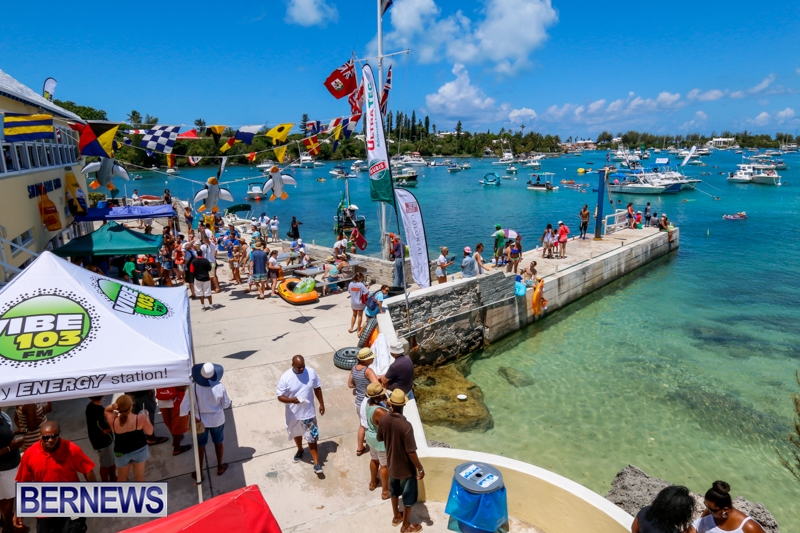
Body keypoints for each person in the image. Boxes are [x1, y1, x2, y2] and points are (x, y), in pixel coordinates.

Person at [13, 422, 96, 533]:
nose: (50, 440)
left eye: (54, 436)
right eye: (46, 437)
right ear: (40, 436)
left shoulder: (72, 449)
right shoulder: (30, 454)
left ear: (59, 434)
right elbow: (24, 482)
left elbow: (87, 470)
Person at [376, 389, 425, 533]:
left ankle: (396, 517)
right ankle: (405, 526)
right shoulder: (406, 426)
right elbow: (411, 452)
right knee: (408, 499)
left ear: (391, 404)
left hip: (391, 465)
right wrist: (420, 468)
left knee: (394, 492)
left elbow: (380, 438)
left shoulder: (384, 419)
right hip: (406, 470)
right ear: (404, 405)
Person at [179, 363, 232, 480]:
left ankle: (199, 473)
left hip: (200, 422)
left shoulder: (193, 387)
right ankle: (219, 466)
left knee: (200, 446)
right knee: (218, 442)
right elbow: (226, 404)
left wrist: (188, 415)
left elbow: (184, 407)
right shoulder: (220, 387)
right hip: (217, 420)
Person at [276, 355, 326, 475]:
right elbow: (280, 396)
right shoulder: (286, 377)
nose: (302, 369)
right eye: (299, 367)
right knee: (297, 434)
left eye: (303, 366)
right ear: (292, 365)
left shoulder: (311, 372)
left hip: (309, 413)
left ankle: (316, 463)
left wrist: (321, 404)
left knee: (312, 438)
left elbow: (317, 388)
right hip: (293, 414)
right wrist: (292, 400)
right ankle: (300, 450)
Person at [104, 394, 153, 482]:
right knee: (139, 477)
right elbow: (150, 432)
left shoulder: (113, 420)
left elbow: (106, 410)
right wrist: (147, 418)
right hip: (139, 450)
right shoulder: (140, 418)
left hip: (121, 453)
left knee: (121, 478)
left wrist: (112, 407)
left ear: (118, 408)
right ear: (131, 406)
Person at [687, 481, 766, 533]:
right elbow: (695, 529)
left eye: (712, 510)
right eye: (706, 506)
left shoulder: (749, 527)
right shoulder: (709, 513)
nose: (708, 510)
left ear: (725, 510)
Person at [348, 348, 378, 456]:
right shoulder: (368, 371)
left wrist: (359, 385)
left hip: (358, 402)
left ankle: (360, 448)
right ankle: (362, 447)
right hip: (368, 403)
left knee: (362, 424)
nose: (373, 359)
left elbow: (350, 384)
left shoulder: (354, 368)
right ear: (365, 360)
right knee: (368, 426)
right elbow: (377, 386)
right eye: (371, 358)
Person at [0, 408, 25, 533]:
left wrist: (14, 434)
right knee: (8, 498)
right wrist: (11, 447)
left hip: (10, 464)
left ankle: (6, 522)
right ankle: (8, 528)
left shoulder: (2, 416)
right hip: (4, 468)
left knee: (5, 497)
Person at [365, 382, 391, 500]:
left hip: (371, 437)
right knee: (384, 465)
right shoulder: (380, 411)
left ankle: (373, 482)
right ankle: (385, 491)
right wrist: (390, 408)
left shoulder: (368, 403)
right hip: (380, 442)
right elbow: (389, 424)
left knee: (374, 460)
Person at [85, 396, 116, 482]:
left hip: (98, 440)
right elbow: (105, 430)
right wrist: (115, 422)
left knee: (110, 461)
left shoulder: (90, 406)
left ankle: (113, 477)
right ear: (103, 395)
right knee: (105, 464)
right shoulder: (99, 412)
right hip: (104, 442)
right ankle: (106, 482)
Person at [155, 386, 191, 457]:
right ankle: (177, 448)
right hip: (176, 401)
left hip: (162, 401)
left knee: (170, 423)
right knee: (177, 426)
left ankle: (176, 439)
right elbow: (182, 388)